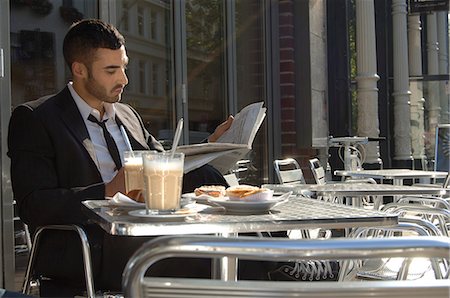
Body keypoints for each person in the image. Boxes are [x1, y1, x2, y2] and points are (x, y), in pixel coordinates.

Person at [7, 19, 234, 296]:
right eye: (111, 70)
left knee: (211, 186)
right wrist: (107, 190)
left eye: (123, 67)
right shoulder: (36, 119)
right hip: (94, 244)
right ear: (79, 70)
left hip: (149, 232)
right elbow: (34, 205)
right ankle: (286, 267)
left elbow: (165, 165)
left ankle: (284, 264)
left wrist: (210, 148)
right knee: (222, 255)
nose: (124, 79)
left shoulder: (127, 115)